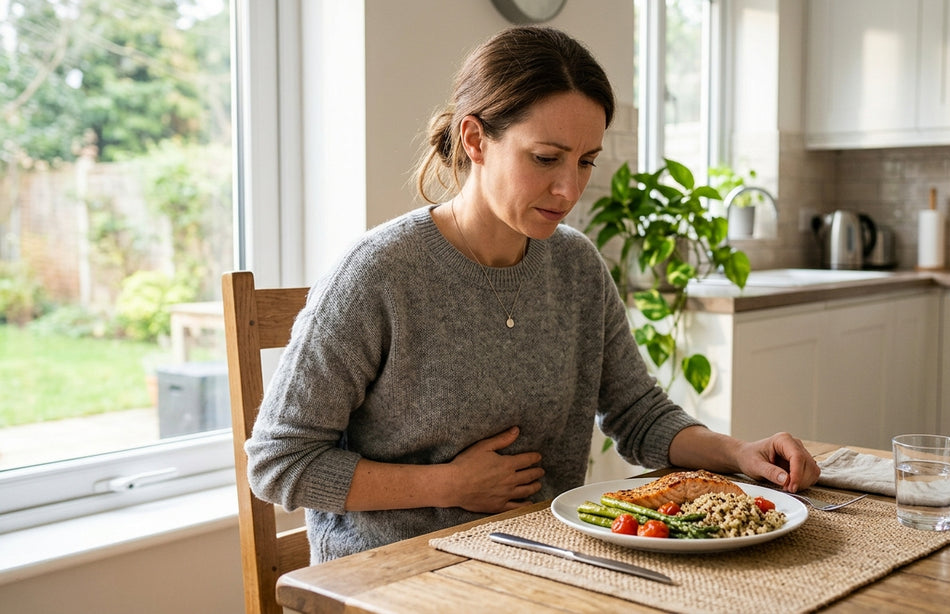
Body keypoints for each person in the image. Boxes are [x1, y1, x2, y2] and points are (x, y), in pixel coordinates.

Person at [245, 25, 820, 564]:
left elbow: (637, 414)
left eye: (585, 161)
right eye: (545, 158)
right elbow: (278, 464)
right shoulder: (376, 274)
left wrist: (738, 453)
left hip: (542, 555)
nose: (569, 188)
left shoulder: (576, 265)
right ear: (474, 138)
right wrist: (447, 485)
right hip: (397, 575)